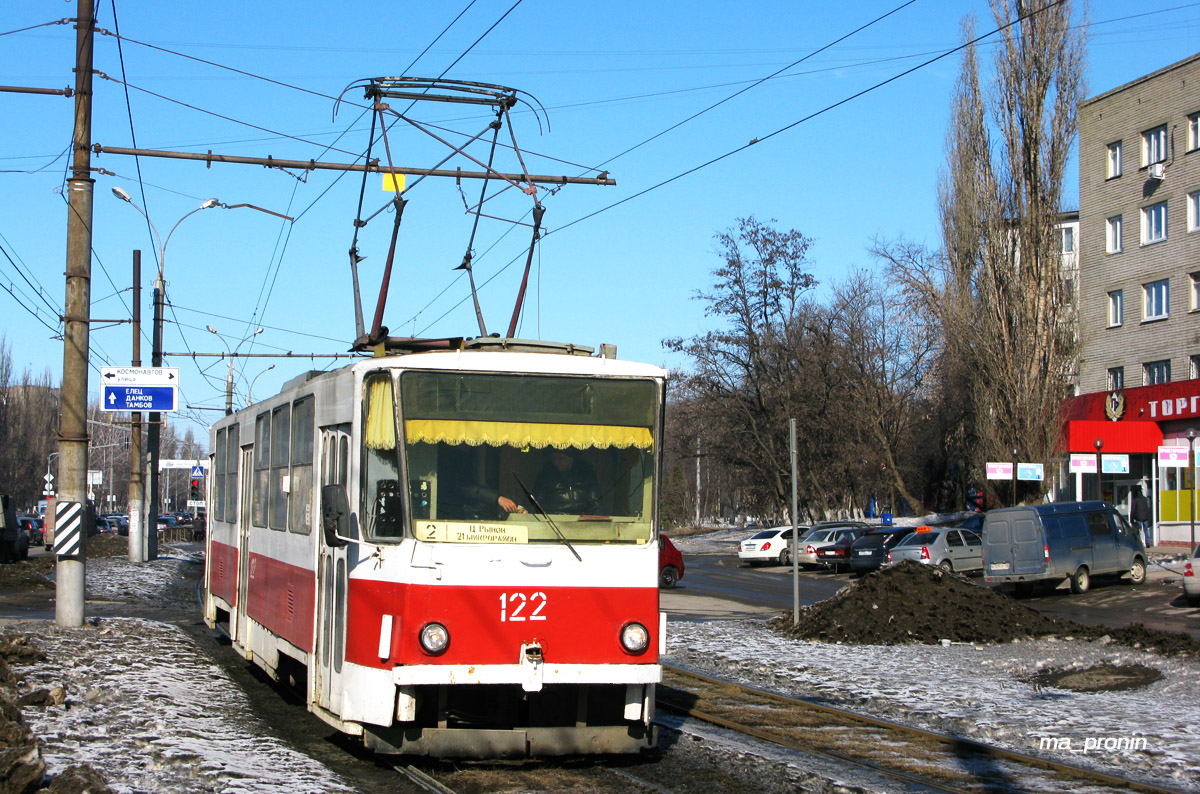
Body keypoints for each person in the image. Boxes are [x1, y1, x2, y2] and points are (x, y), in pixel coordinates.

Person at [533, 449, 601, 514]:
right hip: (554, 522)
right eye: (554, 459)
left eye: (561, 458)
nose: (556, 462)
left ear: (571, 459)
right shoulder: (545, 477)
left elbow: (596, 503)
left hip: (581, 522)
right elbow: (537, 504)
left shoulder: (586, 476)